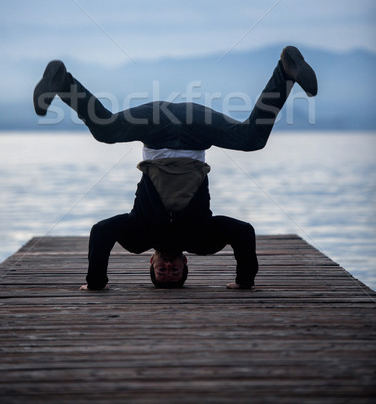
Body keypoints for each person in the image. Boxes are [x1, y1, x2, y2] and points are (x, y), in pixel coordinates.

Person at [33, 46, 317, 290]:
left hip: (156, 126)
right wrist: (245, 281)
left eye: (162, 271)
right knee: (251, 139)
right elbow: (243, 232)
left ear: (151, 262)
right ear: (186, 262)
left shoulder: (137, 236)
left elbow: (101, 231)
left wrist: (96, 282)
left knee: (106, 130)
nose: (169, 266)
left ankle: (61, 81)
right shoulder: (202, 238)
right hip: (197, 127)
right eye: (175, 271)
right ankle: (285, 72)